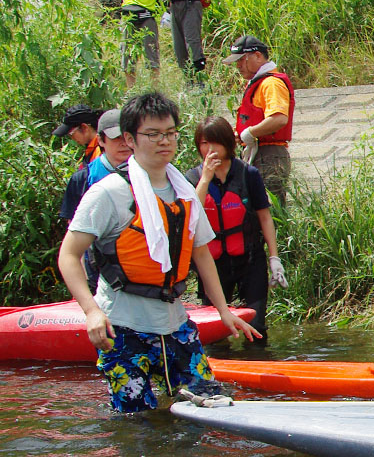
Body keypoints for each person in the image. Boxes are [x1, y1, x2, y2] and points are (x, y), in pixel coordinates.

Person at [57, 92, 259, 413]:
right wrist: (91, 311)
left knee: (214, 405)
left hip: (174, 322)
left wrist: (223, 311)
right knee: (138, 423)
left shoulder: (185, 193)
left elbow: (201, 253)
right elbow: (68, 255)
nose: (164, 141)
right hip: (121, 327)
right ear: (130, 139)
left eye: (170, 133)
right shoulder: (109, 193)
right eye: (153, 134)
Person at [185, 116, 286, 345]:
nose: (209, 149)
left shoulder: (247, 174)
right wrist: (206, 178)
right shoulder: (191, 178)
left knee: (257, 324)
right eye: (203, 143)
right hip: (213, 263)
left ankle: (260, 368)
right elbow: (191, 215)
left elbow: (264, 216)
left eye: (215, 142)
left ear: (227, 143)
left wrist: (274, 257)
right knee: (217, 333)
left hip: (250, 259)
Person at [59, 110, 133, 292]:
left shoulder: (150, 174)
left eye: (128, 137)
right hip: (98, 272)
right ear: (101, 140)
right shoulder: (83, 179)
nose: (124, 144)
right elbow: (73, 234)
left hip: (140, 270)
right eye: (116, 138)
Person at [224, 35, 295, 208]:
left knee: (272, 211)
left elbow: (279, 118)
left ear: (257, 56)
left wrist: (249, 133)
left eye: (241, 60)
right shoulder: (258, 82)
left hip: (269, 156)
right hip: (258, 153)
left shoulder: (271, 83)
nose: (238, 66)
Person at [51, 104, 102, 170]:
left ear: (84, 127)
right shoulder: (91, 149)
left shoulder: (101, 151)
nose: (72, 138)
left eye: (71, 134)